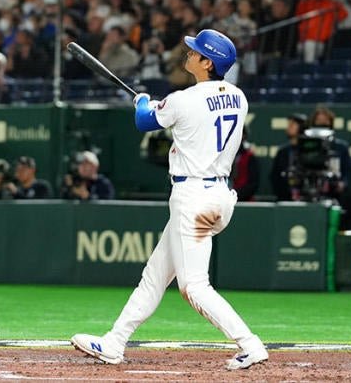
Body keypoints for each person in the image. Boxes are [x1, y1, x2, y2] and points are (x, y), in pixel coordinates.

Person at [71, 29, 268, 371]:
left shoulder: (183, 100)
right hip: (219, 195)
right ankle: (115, 341)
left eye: (196, 52)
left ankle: (250, 344)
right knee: (155, 275)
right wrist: (155, 105)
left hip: (193, 199)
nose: (188, 53)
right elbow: (189, 115)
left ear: (208, 63)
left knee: (194, 286)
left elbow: (143, 121)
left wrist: (143, 101)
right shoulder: (238, 97)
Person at [230, 129, 259, 202]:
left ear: (244, 136)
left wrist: (236, 195)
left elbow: (253, 184)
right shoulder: (224, 156)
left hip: (244, 201)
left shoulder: (249, 157)